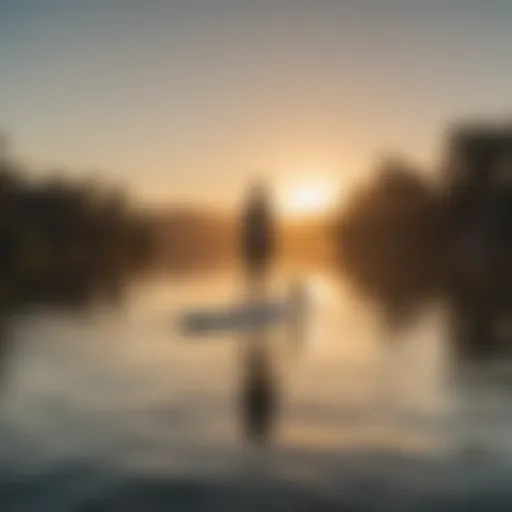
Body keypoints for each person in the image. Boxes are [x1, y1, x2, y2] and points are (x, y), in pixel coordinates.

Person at [242, 181, 275, 282]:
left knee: (260, 271)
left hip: (259, 246)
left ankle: (258, 287)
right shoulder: (255, 209)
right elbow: (248, 229)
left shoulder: (258, 209)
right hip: (255, 246)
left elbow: (266, 229)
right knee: (254, 271)